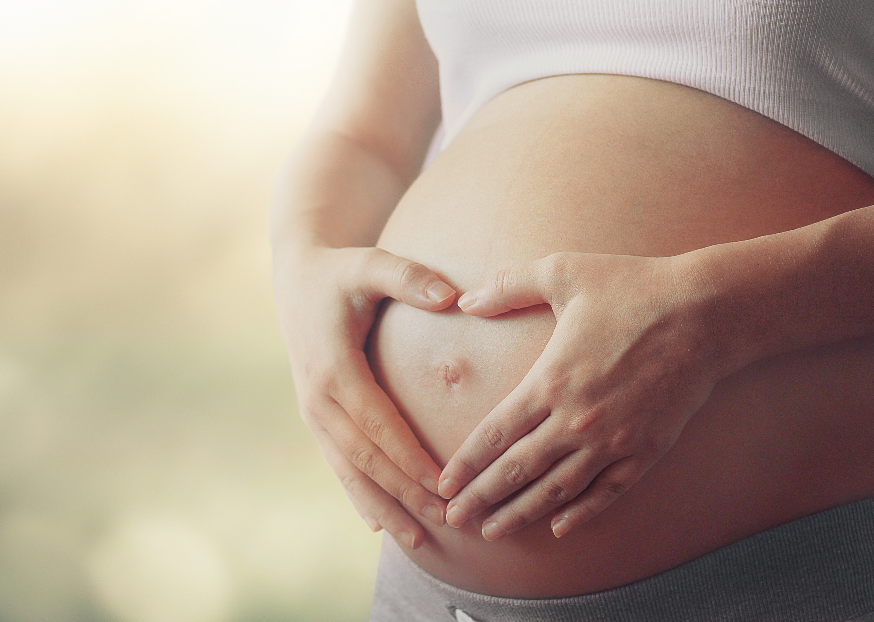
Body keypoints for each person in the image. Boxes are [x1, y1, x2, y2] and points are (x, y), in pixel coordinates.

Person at [271, 0, 874, 619]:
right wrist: (301, 265)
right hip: (426, 593)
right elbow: (362, 137)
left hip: (784, 568)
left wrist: (723, 315)